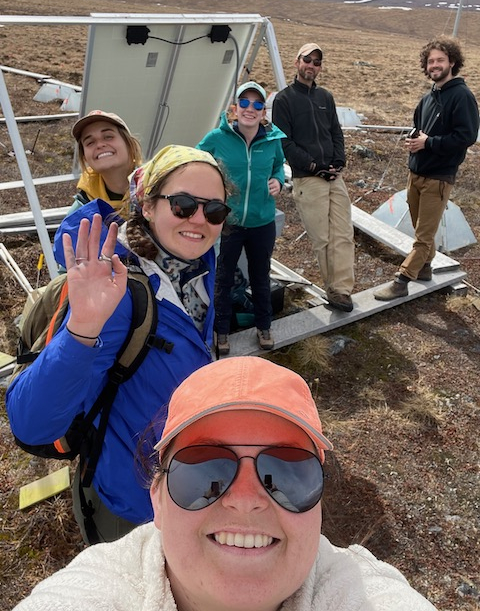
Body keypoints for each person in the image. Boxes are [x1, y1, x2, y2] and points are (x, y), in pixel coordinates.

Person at [13, 356, 438, 611]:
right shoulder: (97, 591)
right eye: (205, 471)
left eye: (287, 471)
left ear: (319, 504)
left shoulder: (357, 591)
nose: (246, 500)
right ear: (157, 498)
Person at [6, 144, 231, 544]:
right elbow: (33, 424)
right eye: (182, 205)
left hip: (187, 481)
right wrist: (83, 329)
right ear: (146, 205)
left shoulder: (197, 267)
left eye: (214, 210)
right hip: (133, 503)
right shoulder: (119, 292)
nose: (200, 219)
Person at [374, 35, 479, 301]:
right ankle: (425, 268)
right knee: (422, 228)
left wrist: (429, 142)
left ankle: (401, 280)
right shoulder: (428, 98)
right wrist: (415, 141)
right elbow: (419, 129)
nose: (435, 65)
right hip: (416, 174)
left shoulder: (462, 96)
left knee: (423, 235)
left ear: (452, 62)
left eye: (440, 60)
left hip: (438, 178)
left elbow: (466, 137)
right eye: (431, 61)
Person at [197, 81, 286, 354]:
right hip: (229, 224)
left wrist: (278, 182)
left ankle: (264, 326)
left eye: (257, 104)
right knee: (223, 278)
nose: (251, 109)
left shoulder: (272, 141)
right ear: (235, 108)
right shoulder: (216, 138)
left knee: (261, 276)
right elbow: (196, 163)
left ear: (263, 112)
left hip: (262, 222)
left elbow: (279, 166)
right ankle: (221, 331)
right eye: (244, 103)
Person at [272, 43, 355, 313]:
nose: (312, 66)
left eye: (317, 62)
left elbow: (336, 131)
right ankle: (332, 286)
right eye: (308, 60)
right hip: (308, 179)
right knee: (323, 238)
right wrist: (313, 165)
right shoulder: (284, 100)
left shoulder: (325, 98)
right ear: (297, 62)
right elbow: (285, 143)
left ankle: (341, 289)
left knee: (343, 233)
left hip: (333, 177)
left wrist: (339, 161)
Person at [69, 109, 143, 214]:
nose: (99, 145)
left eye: (108, 137)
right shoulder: (80, 212)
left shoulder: (157, 189)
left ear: (129, 144)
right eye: (90, 142)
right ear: (85, 157)